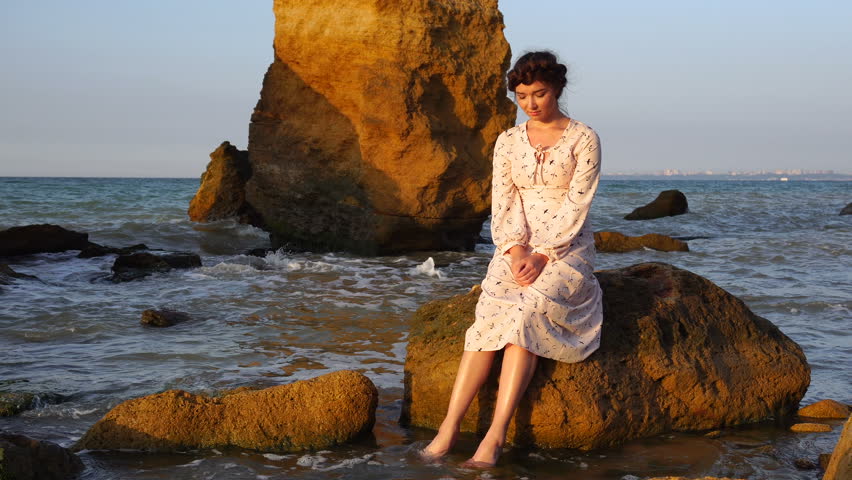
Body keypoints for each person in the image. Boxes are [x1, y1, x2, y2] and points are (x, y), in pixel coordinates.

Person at [421, 51, 604, 468]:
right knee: (487, 318)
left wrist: (543, 255)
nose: (531, 104)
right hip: (516, 247)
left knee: (526, 313)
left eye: (539, 93)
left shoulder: (584, 138)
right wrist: (516, 249)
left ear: (557, 88)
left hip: (566, 249)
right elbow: (503, 200)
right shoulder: (507, 141)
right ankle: (448, 428)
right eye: (522, 96)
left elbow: (578, 204)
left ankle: (495, 435)